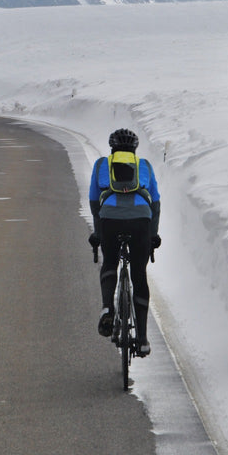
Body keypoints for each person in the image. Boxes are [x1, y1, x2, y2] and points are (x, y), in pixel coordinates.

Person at [88, 128, 161, 356]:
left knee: (110, 262)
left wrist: (98, 232)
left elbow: (94, 201)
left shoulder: (102, 165)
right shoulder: (145, 166)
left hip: (110, 219)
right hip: (140, 221)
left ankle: (108, 307)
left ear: (112, 148)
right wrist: (152, 235)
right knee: (139, 274)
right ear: (134, 149)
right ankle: (142, 339)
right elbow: (155, 204)